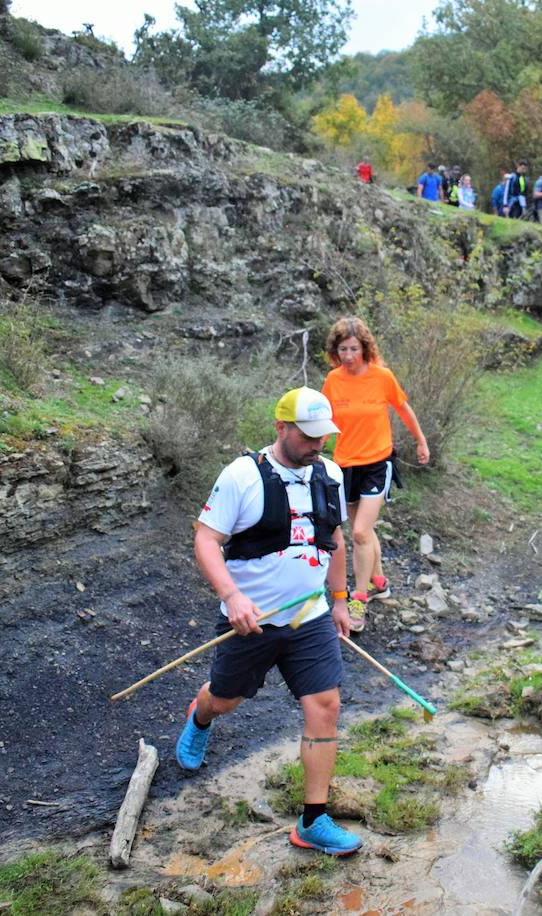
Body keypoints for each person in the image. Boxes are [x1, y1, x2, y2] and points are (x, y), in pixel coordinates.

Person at [177, 387, 362, 857]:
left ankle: (313, 820)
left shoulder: (330, 474)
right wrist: (232, 596)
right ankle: (200, 716)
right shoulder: (242, 476)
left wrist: (339, 600)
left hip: (310, 617)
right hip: (252, 623)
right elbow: (205, 539)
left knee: (326, 704)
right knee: (225, 700)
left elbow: (334, 539)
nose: (318, 445)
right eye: (308, 435)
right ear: (281, 428)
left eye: (324, 436)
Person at [321, 317, 430, 627]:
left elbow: (403, 408)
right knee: (363, 530)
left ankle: (359, 600)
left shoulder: (382, 377)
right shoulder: (333, 380)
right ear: (335, 350)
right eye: (343, 349)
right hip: (345, 465)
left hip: (376, 463)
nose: (349, 356)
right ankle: (379, 581)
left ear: (365, 349)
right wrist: (313, 455)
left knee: (357, 533)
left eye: (354, 348)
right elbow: (324, 421)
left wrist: (421, 442)